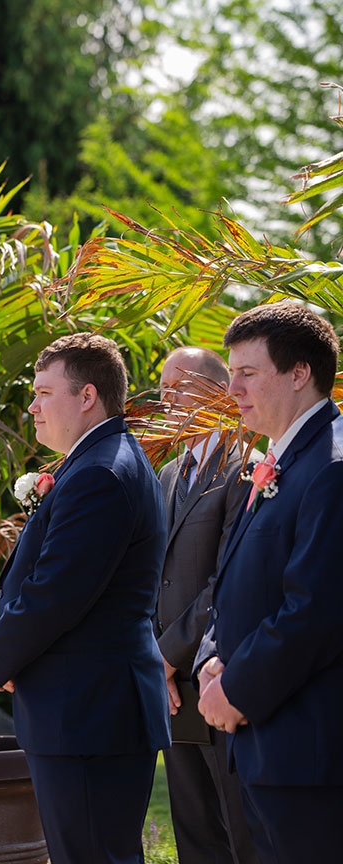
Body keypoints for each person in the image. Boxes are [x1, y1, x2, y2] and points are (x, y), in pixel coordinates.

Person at [0, 332, 169, 864]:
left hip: (87, 711)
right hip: (85, 706)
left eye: (43, 392)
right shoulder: (101, 461)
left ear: (87, 396)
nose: (32, 406)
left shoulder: (102, 473)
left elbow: (59, 589)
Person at [194, 301, 343, 863]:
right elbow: (234, 578)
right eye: (231, 373)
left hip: (309, 752)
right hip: (266, 746)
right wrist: (212, 657)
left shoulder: (333, 466)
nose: (231, 388)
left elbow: (318, 609)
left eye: (247, 373)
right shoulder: (280, 462)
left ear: (300, 373)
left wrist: (238, 688)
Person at [156, 347, 257, 864]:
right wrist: (159, 663)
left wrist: (170, 655)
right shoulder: (169, 474)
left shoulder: (246, 469)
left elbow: (227, 577)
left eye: (180, 386)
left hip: (219, 671)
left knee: (241, 826)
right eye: (162, 388)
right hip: (171, 687)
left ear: (218, 393)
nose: (166, 399)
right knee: (194, 829)